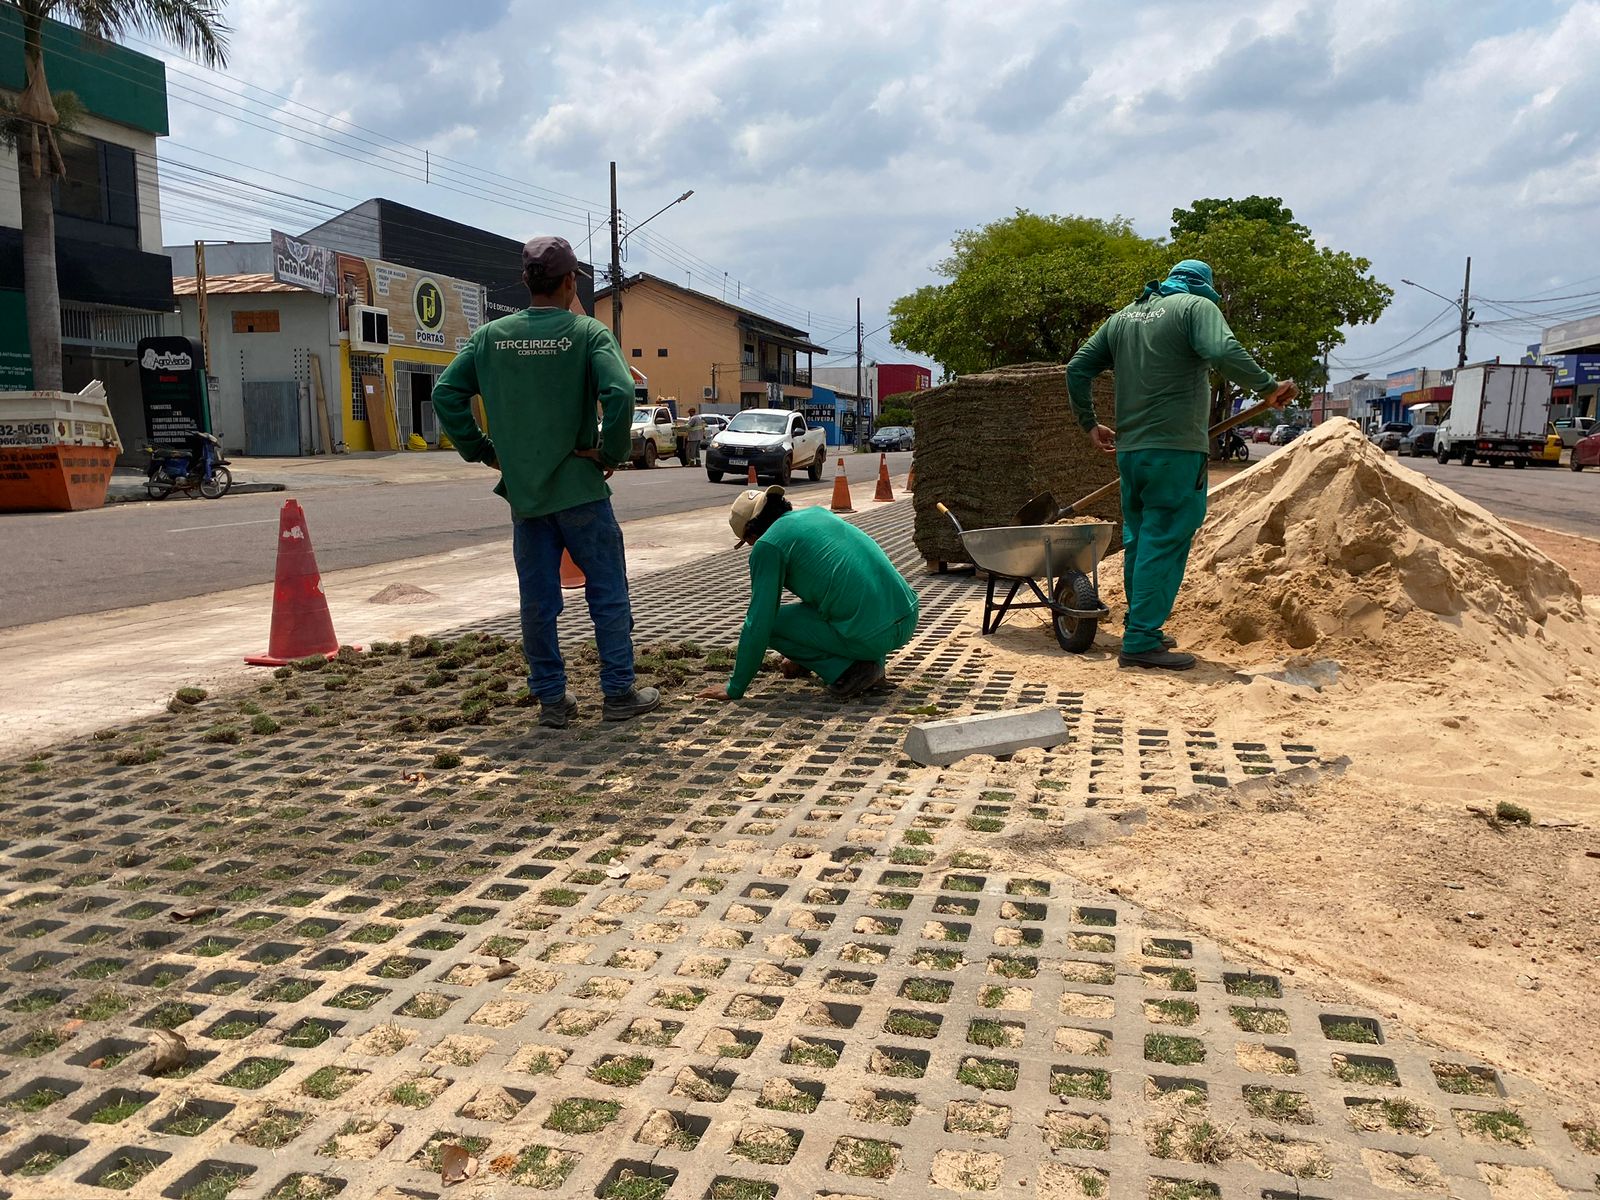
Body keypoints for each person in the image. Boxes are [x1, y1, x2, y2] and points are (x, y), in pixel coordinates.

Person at [433, 235, 661, 727]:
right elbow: (621, 391)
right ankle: (618, 693)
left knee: (538, 602)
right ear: (570, 280)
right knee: (607, 593)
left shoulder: (491, 338)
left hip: (527, 497)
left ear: (525, 281)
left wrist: (484, 451)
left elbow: (446, 393)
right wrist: (612, 451)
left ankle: (553, 703)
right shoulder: (587, 334)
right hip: (581, 489)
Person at [1066, 258, 1297, 671]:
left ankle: (1143, 629)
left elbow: (1077, 367)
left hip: (1132, 452)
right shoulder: (1195, 308)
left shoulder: (1123, 318)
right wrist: (1267, 386)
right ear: (1203, 287)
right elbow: (1223, 350)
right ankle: (1139, 642)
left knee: (1141, 539)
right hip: (1175, 451)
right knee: (1165, 538)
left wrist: (1089, 423)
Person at [696, 486, 919, 702]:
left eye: (749, 542)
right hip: (907, 617)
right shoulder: (817, 514)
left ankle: (852, 671)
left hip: (872, 634)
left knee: (772, 624)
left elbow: (758, 622)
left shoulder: (768, 545)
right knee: (831, 604)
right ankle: (867, 660)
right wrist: (797, 657)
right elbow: (831, 586)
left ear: (752, 534)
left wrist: (735, 686)